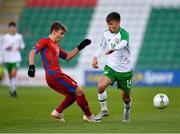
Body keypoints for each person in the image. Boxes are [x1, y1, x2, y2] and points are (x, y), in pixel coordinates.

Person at [28, 22, 99, 123]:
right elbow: (32, 52)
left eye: (63, 34)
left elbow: (68, 56)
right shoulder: (45, 41)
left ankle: (58, 112)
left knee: (73, 95)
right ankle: (89, 116)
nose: (62, 36)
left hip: (56, 75)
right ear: (54, 31)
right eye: (61, 33)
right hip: (54, 75)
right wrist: (31, 66)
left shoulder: (55, 46)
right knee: (79, 91)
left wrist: (80, 47)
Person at [92, 12, 133, 122]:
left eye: (112, 24)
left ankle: (127, 109)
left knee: (126, 98)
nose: (110, 27)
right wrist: (95, 57)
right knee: (100, 86)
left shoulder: (124, 33)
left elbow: (124, 43)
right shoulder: (106, 34)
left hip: (125, 71)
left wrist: (114, 49)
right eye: (108, 25)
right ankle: (104, 110)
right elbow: (102, 47)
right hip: (111, 68)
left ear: (118, 22)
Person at [1, 22, 25, 97]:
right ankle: (11, 89)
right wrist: (7, 48)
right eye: (11, 27)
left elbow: (22, 45)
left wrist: (20, 47)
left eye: (13, 27)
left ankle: (14, 90)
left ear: (15, 28)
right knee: (10, 76)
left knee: (13, 74)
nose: (12, 29)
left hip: (16, 58)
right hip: (7, 58)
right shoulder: (5, 37)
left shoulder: (19, 37)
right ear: (9, 28)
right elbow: (2, 47)